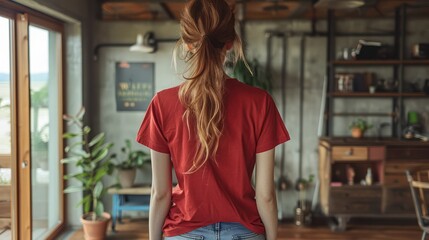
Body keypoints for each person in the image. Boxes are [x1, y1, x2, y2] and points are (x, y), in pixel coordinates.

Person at [136, 0, 289, 239]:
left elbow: (160, 193)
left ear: (186, 44)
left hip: (184, 231)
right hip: (244, 232)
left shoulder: (161, 104)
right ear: (230, 43)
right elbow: (266, 194)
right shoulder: (260, 102)